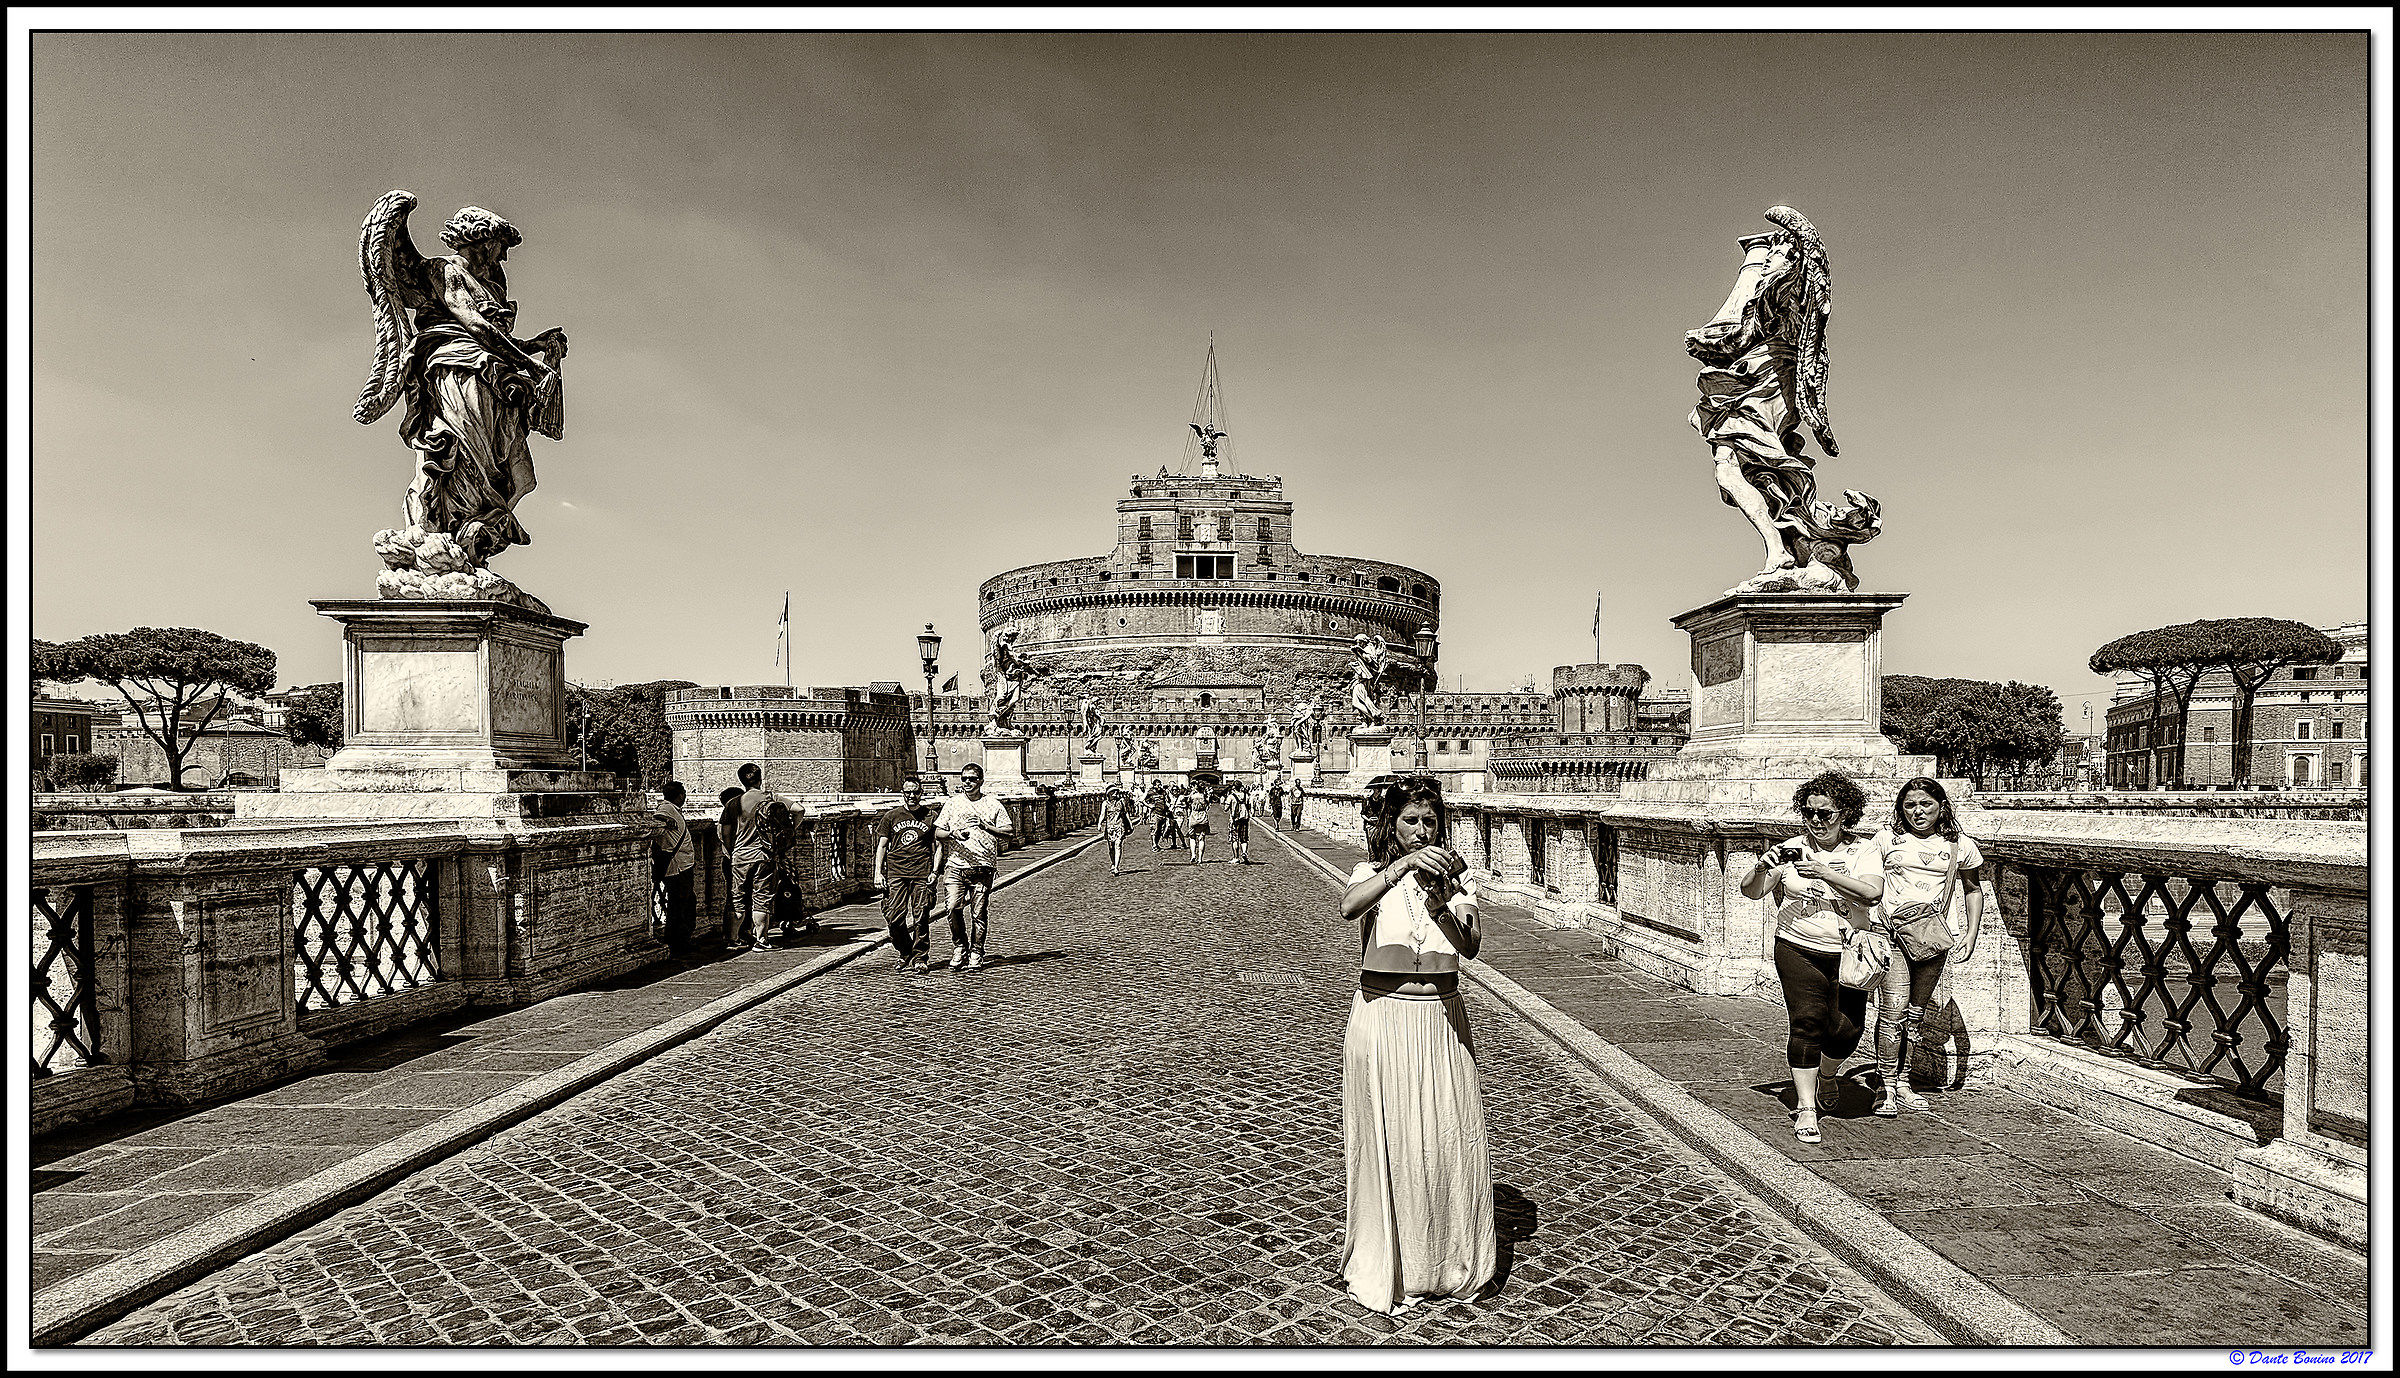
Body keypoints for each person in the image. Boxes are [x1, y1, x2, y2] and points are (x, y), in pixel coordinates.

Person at [1339, 775, 1496, 1315]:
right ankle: (1393, 1263)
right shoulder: (1372, 875)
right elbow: (1348, 906)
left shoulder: (1456, 884)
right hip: (1383, 1018)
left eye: (1430, 821)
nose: (1423, 830)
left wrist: (1443, 905)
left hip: (1440, 1021)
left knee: (1441, 1139)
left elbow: (1470, 948)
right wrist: (1398, 870)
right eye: (1411, 820)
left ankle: (1441, 1260)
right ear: (1391, 826)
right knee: (1390, 1140)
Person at [1740, 770, 1885, 1145]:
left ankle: (1828, 1073)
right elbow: (1752, 892)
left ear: (1845, 813)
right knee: (1807, 1022)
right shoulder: (1791, 848)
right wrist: (1761, 867)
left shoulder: (1862, 849)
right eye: (1809, 812)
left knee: (1847, 1030)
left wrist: (1824, 872)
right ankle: (1805, 1106)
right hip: (1796, 945)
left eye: (1826, 813)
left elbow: (1872, 894)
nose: (1816, 820)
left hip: (1851, 951)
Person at [1868, 778, 1985, 1116]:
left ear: (1941, 807)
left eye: (1926, 805)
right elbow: (1869, 881)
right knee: (1893, 1009)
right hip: (1891, 933)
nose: (1918, 812)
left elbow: (1972, 889)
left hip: (1933, 937)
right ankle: (1885, 1084)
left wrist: (1971, 933)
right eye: (1909, 806)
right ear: (1900, 809)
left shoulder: (1959, 845)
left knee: (1917, 1013)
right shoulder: (1886, 840)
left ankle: (1904, 1081)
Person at [934, 762, 1014, 970]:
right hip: (955, 865)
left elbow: (1009, 832)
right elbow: (938, 832)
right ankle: (960, 946)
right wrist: (952, 834)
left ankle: (977, 951)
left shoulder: (993, 804)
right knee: (952, 908)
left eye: (972, 779)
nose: (967, 782)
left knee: (978, 913)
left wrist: (985, 826)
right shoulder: (952, 804)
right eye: (964, 779)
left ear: (981, 781)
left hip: (983, 867)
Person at [873, 778, 944, 975]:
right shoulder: (891, 816)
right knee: (894, 917)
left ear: (921, 793)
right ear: (902, 793)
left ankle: (920, 957)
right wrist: (878, 872)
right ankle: (905, 950)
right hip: (896, 872)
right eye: (907, 792)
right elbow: (882, 846)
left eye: (915, 792)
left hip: (921, 872)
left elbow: (938, 847)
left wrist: (935, 872)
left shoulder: (930, 816)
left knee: (921, 916)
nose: (911, 796)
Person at [721, 764, 788, 953]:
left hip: (740, 857)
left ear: (742, 781)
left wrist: (732, 849)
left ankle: (733, 939)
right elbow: (799, 810)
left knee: (737, 898)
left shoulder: (733, 803)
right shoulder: (770, 798)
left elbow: (726, 833)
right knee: (762, 898)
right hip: (764, 855)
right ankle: (761, 940)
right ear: (760, 779)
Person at [649, 781, 698, 952]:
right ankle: (678, 941)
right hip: (678, 866)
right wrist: (665, 819)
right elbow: (655, 818)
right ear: (681, 795)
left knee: (681, 904)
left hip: (680, 865)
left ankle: (678, 939)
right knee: (681, 905)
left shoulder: (670, 808)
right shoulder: (668, 809)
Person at [1099, 785, 1133, 876]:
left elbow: (1126, 813)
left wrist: (1130, 823)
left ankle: (1117, 867)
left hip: (1119, 826)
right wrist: (1099, 823)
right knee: (1111, 847)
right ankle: (1113, 863)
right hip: (1109, 828)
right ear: (1109, 793)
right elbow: (1102, 814)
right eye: (1113, 792)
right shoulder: (1105, 803)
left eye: (1116, 791)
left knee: (1118, 845)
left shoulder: (1121, 801)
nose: (1115, 793)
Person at [1186, 785, 1212, 865]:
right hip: (1203, 816)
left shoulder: (1192, 795)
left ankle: (1193, 855)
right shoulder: (1204, 796)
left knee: (1192, 837)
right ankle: (1200, 858)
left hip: (1193, 816)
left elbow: (1187, 802)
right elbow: (1208, 804)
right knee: (1201, 838)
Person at [1228, 784, 1254, 864]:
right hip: (1245, 818)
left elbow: (1225, 808)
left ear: (1234, 787)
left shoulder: (1231, 796)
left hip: (1235, 819)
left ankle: (1236, 858)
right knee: (1244, 838)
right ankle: (1244, 852)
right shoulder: (1246, 795)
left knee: (1235, 838)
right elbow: (1249, 806)